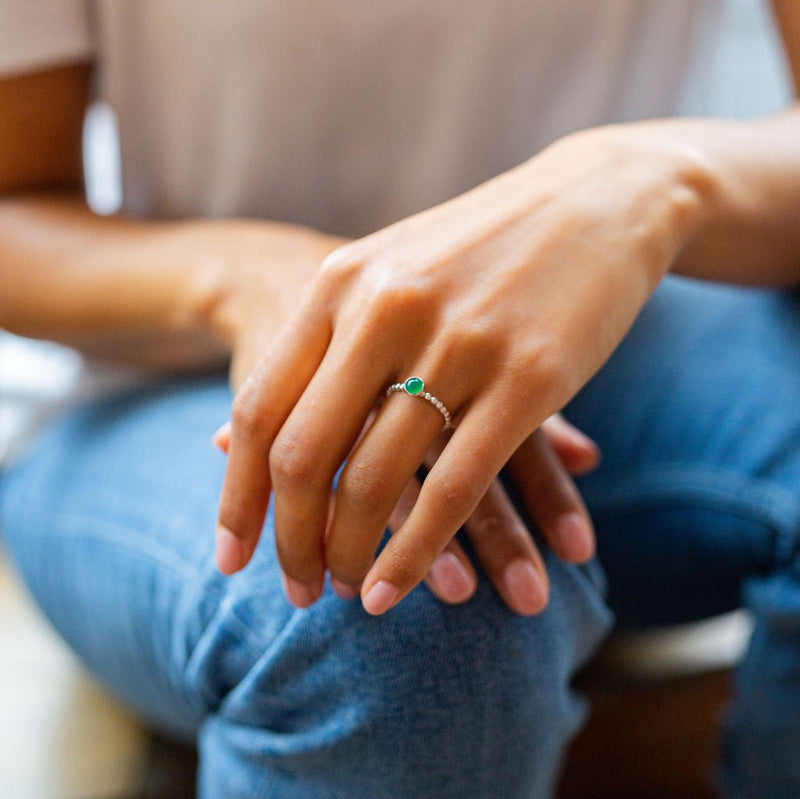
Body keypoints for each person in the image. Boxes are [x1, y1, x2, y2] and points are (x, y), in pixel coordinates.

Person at [1, 1, 799, 796]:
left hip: (598, 346)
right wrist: (248, 277)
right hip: (158, 377)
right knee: (390, 617)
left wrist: (645, 180)